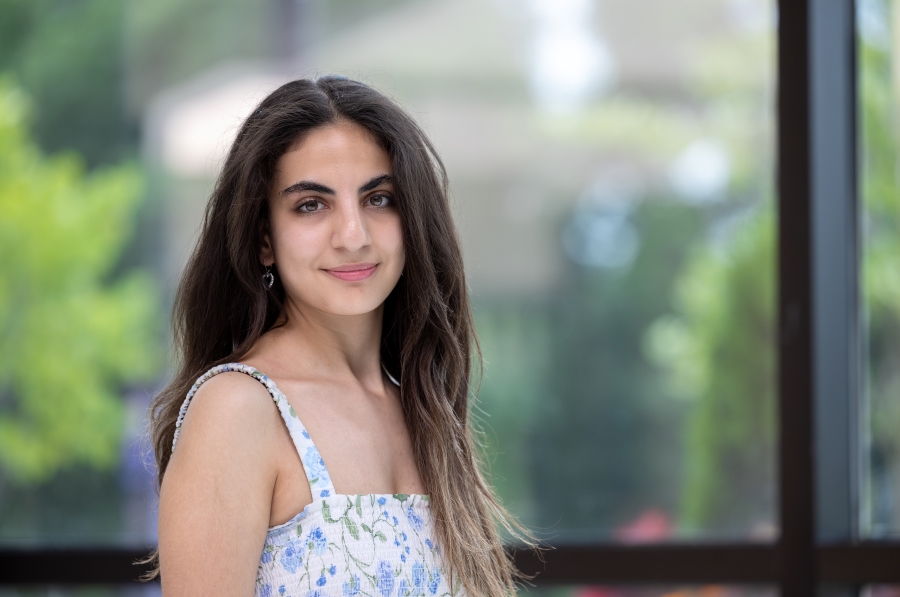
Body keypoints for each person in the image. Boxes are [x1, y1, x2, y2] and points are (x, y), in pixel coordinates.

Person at [147, 76, 531, 597]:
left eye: (379, 198)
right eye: (311, 204)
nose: (353, 235)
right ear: (265, 238)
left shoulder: (422, 407)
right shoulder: (238, 410)